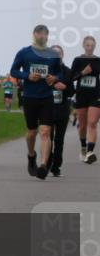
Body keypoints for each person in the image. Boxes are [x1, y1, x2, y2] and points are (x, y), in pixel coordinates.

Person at [10, 24, 63, 179]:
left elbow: (59, 72)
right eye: (39, 33)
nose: (42, 36)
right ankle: (31, 155)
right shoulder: (24, 53)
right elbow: (14, 71)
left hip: (47, 97)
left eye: (44, 34)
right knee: (32, 132)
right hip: (30, 97)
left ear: (47, 36)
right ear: (34, 35)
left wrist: (55, 78)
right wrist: (27, 76)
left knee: (45, 131)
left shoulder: (53, 54)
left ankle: (43, 165)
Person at [71, 35, 100, 164]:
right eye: (88, 45)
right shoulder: (77, 60)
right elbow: (71, 78)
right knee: (82, 125)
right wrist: (83, 73)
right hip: (82, 95)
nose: (90, 48)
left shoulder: (98, 60)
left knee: (92, 123)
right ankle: (83, 146)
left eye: (92, 45)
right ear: (83, 46)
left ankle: (90, 152)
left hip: (96, 95)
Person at [50, 45, 75, 176]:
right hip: (47, 108)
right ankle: (47, 160)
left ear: (62, 55)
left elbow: (72, 91)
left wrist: (65, 87)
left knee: (59, 139)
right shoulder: (47, 70)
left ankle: (56, 166)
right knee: (48, 137)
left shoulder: (68, 71)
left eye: (58, 53)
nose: (56, 56)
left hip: (63, 108)